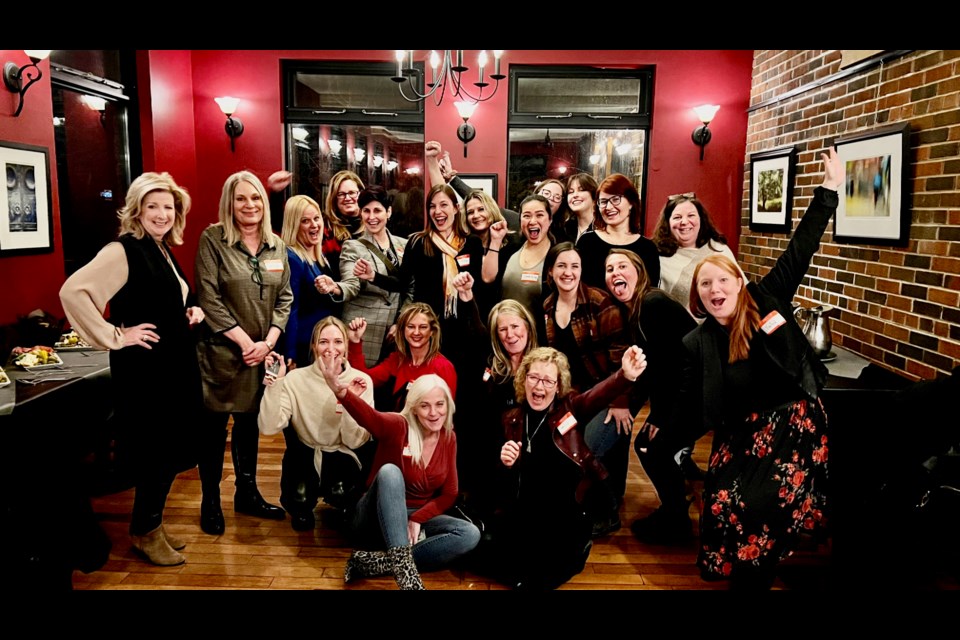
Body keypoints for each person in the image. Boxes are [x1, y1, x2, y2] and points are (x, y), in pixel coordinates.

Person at [676, 148, 843, 589]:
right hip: (741, 432)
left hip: (792, 424)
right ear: (698, 296)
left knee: (757, 505)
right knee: (720, 502)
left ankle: (755, 577)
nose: (715, 289)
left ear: (738, 283)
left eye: (722, 281)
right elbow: (692, 396)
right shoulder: (700, 340)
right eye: (705, 284)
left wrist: (828, 192)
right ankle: (741, 571)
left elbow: (800, 250)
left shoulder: (768, 299)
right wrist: (662, 425)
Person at [60, 172, 204, 566]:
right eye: (152, 206)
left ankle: (150, 525)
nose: (161, 214)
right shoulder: (123, 249)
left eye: (168, 207)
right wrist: (113, 335)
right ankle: (145, 532)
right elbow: (73, 291)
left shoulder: (159, 248)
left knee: (169, 452)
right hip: (147, 375)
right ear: (136, 211)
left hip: (171, 369)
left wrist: (188, 310)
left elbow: (161, 300)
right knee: (155, 454)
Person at [486, 345, 647, 590]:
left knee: (538, 576)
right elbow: (502, 481)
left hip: (564, 513)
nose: (539, 387)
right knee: (498, 561)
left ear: (558, 386)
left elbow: (597, 396)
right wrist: (505, 462)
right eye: (533, 378)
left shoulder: (570, 408)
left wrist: (624, 375)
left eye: (548, 381)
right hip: (527, 510)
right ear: (524, 380)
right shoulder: (512, 418)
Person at [318, 361, 481, 590]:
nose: (434, 413)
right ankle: (406, 574)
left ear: (448, 405)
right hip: (372, 517)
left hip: (411, 518)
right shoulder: (398, 425)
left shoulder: (448, 437)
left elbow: (450, 493)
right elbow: (370, 418)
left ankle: (376, 563)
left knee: (469, 533)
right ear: (414, 407)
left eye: (439, 404)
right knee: (390, 472)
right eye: (425, 406)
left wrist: (417, 518)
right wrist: (342, 392)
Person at [195, 171, 293, 535]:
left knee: (250, 425)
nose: (249, 205)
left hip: (260, 353)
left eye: (255, 198)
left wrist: (267, 342)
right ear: (229, 203)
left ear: (264, 204)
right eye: (241, 199)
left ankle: (247, 493)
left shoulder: (276, 246)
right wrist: (244, 342)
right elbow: (209, 298)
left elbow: (285, 298)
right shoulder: (213, 239)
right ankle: (210, 499)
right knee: (214, 430)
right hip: (222, 353)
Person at [603, 248, 698, 543]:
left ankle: (677, 519)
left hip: (697, 392)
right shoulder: (638, 309)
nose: (615, 273)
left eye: (622, 266)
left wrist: (661, 416)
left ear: (639, 271)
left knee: (652, 447)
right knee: (649, 446)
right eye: (609, 270)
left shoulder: (653, 303)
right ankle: (675, 509)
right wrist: (624, 402)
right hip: (681, 392)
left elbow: (681, 364)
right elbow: (652, 368)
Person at [541, 242, 632, 535]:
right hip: (574, 395)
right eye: (562, 266)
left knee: (587, 447)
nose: (568, 272)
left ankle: (608, 511)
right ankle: (585, 502)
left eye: (574, 266)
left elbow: (620, 351)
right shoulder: (547, 307)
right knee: (562, 444)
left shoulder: (599, 302)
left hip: (607, 392)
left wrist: (619, 399)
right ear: (551, 272)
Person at [259, 317, 375, 531]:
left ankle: (340, 501)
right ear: (313, 346)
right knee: (299, 501)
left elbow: (354, 440)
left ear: (347, 346)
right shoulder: (296, 379)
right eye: (323, 342)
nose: (331, 349)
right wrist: (275, 384)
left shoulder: (360, 380)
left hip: (342, 453)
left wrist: (348, 400)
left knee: (342, 496)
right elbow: (268, 427)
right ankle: (304, 501)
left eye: (338, 342)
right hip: (305, 452)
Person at [330, 186, 409, 367]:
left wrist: (402, 322)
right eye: (366, 211)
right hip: (363, 331)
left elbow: (410, 287)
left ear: (388, 212)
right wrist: (336, 288)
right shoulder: (353, 246)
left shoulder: (404, 245)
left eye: (377, 210)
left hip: (395, 333)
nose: (371, 217)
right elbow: (351, 284)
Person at [398, 183, 483, 345]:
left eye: (444, 205)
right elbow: (401, 283)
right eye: (432, 206)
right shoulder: (418, 242)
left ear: (456, 208)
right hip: (426, 327)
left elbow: (476, 288)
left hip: (462, 327)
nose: (437, 211)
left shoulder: (472, 243)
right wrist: (372, 276)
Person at [346, 302, 457, 411]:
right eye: (411, 327)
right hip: (399, 426)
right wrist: (355, 342)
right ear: (403, 330)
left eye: (423, 327)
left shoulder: (443, 367)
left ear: (432, 331)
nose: (416, 332)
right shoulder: (397, 359)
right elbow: (364, 380)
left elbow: (446, 413)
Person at [278, 195, 340, 368]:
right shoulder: (292, 258)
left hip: (324, 345)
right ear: (294, 224)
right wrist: (290, 353)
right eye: (305, 221)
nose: (314, 225)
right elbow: (290, 308)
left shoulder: (321, 257)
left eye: (316, 218)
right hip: (304, 347)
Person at [652, 192, 738, 315]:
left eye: (691, 215)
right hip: (683, 329)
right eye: (677, 217)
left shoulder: (718, 248)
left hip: (727, 323)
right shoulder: (659, 258)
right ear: (668, 223)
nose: (684, 222)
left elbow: (742, 289)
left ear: (700, 220)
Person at [576, 173, 660, 291]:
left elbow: (651, 292)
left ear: (631, 203)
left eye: (615, 199)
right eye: (603, 202)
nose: (609, 207)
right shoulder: (587, 242)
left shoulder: (647, 248)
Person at [482, 194, 553, 322]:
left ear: (550, 220)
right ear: (520, 221)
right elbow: (487, 278)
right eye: (526, 216)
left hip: (539, 336)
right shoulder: (510, 250)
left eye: (539, 215)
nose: (532, 221)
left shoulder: (557, 255)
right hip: (505, 332)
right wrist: (496, 240)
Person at [551, 172, 598, 244]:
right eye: (570, 192)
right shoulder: (565, 229)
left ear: (594, 196)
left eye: (581, 190)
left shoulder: (605, 227)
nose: (575, 195)